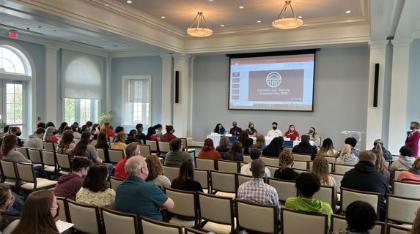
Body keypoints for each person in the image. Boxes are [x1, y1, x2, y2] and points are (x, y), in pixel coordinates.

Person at [114, 156, 174, 221]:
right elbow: (170, 205)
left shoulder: (120, 187)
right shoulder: (149, 187)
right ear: (143, 170)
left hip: (128, 227)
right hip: (152, 228)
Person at [341, 151, 389, 220]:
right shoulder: (381, 178)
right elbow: (386, 196)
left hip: (350, 214)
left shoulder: (348, 175)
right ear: (374, 161)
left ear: (359, 159)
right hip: (374, 218)